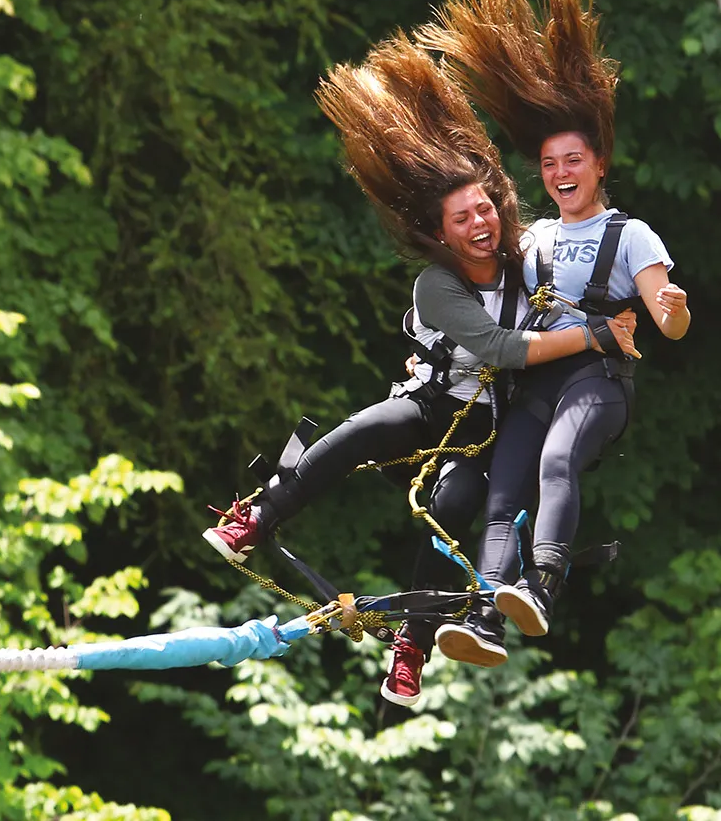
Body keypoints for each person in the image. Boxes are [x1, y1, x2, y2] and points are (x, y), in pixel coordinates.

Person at [200, 34, 637, 703]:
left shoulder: (528, 262)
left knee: (454, 506)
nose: (481, 223)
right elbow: (499, 349)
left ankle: (412, 647)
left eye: (486, 208)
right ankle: (257, 515)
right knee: (366, 428)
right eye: (464, 219)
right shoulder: (437, 285)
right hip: (434, 403)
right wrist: (593, 340)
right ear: (442, 233)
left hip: (491, 429)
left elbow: (577, 269)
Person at [422, 0, 692, 666]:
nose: (560, 173)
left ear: (598, 164)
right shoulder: (532, 236)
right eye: (548, 164)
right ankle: (486, 615)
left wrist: (671, 308)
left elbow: (668, 323)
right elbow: (485, 286)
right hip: (535, 380)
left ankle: (541, 584)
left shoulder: (630, 235)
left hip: (596, 381)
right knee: (503, 484)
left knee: (557, 459)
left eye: (573, 160)